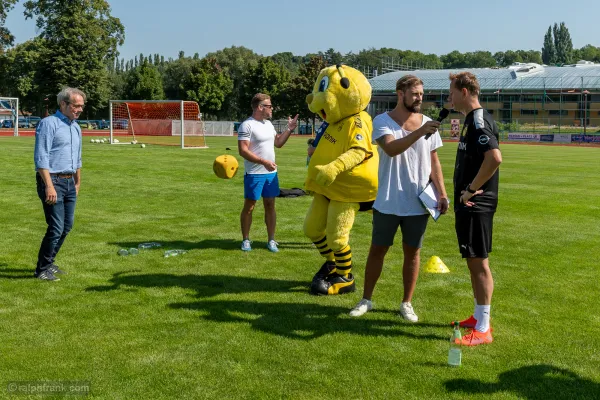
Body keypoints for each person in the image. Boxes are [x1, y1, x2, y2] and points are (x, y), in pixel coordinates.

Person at [350, 75, 449, 321]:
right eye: (415, 94)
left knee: (413, 253)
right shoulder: (382, 121)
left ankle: (406, 303)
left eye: (422, 95)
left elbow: (434, 161)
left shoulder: (427, 122)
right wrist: (420, 132)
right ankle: (366, 299)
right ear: (400, 93)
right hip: (388, 200)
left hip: (418, 202)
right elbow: (392, 149)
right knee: (377, 251)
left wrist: (443, 193)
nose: (419, 99)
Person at [448, 72, 502, 346]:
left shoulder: (478, 121)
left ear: (466, 91)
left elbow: (494, 159)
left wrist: (469, 189)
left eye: (452, 92)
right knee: (473, 262)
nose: (450, 97)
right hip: (470, 203)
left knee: (479, 263)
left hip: (476, 203)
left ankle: (483, 329)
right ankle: (478, 316)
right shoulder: (472, 120)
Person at [33, 87, 85, 281]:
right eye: (76, 106)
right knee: (55, 227)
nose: (79, 109)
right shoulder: (49, 124)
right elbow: (41, 157)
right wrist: (49, 185)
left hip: (69, 182)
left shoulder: (75, 126)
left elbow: (77, 158)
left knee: (66, 227)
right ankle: (41, 269)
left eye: (81, 106)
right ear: (63, 104)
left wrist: (78, 182)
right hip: (52, 180)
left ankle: (49, 263)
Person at [237, 93, 298, 252]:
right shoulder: (247, 125)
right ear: (260, 107)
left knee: (270, 205)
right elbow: (243, 150)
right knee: (250, 207)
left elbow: (278, 143)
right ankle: (246, 240)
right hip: (254, 174)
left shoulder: (269, 125)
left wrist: (289, 129)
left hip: (271, 174)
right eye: (269, 106)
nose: (272, 109)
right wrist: (263, 162)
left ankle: (271, 240)